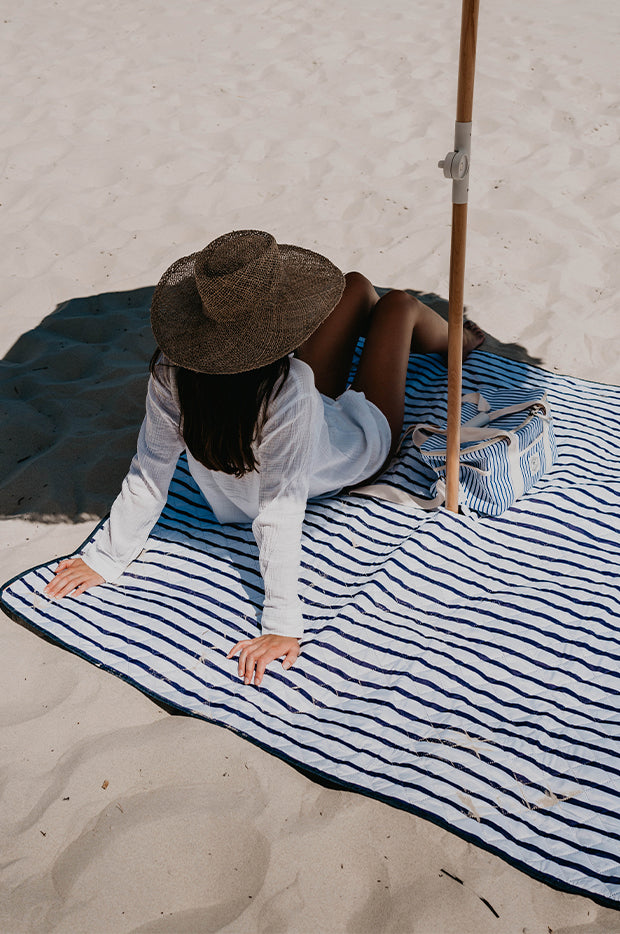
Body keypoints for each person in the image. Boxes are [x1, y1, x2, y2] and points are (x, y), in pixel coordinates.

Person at [44, 230, 483, 686]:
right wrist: (281, 625)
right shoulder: (288, 383)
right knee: (398, 306)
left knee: (353, 285)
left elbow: (150, 470)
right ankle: (458, 342)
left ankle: (397, 325)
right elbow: (280, 510)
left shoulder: (171, 372)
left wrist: (106, 558)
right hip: (354, 446)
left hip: (301, 428)